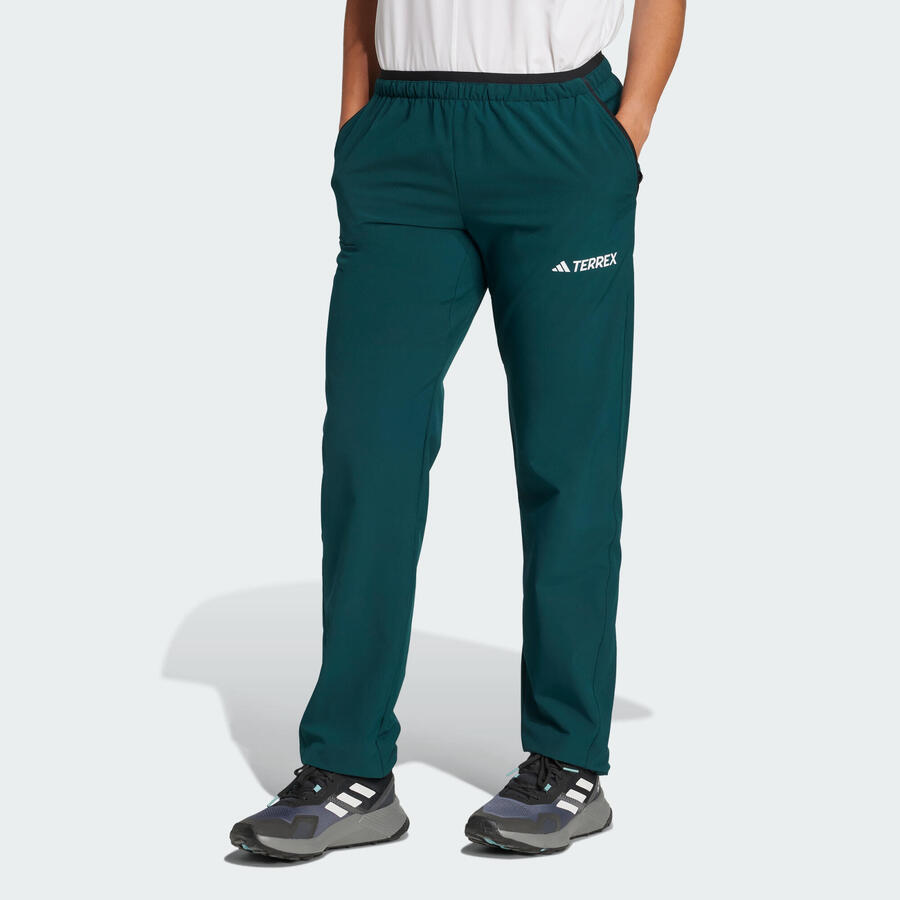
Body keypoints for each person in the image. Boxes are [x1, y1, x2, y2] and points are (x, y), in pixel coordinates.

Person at [231, 0, 685, 859]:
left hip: (561, 137)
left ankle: (567, 760)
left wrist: (629, 131)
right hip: (403, 138)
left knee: (568, 461)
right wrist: (357, 125)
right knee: (369, 452)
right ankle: (348, 765)